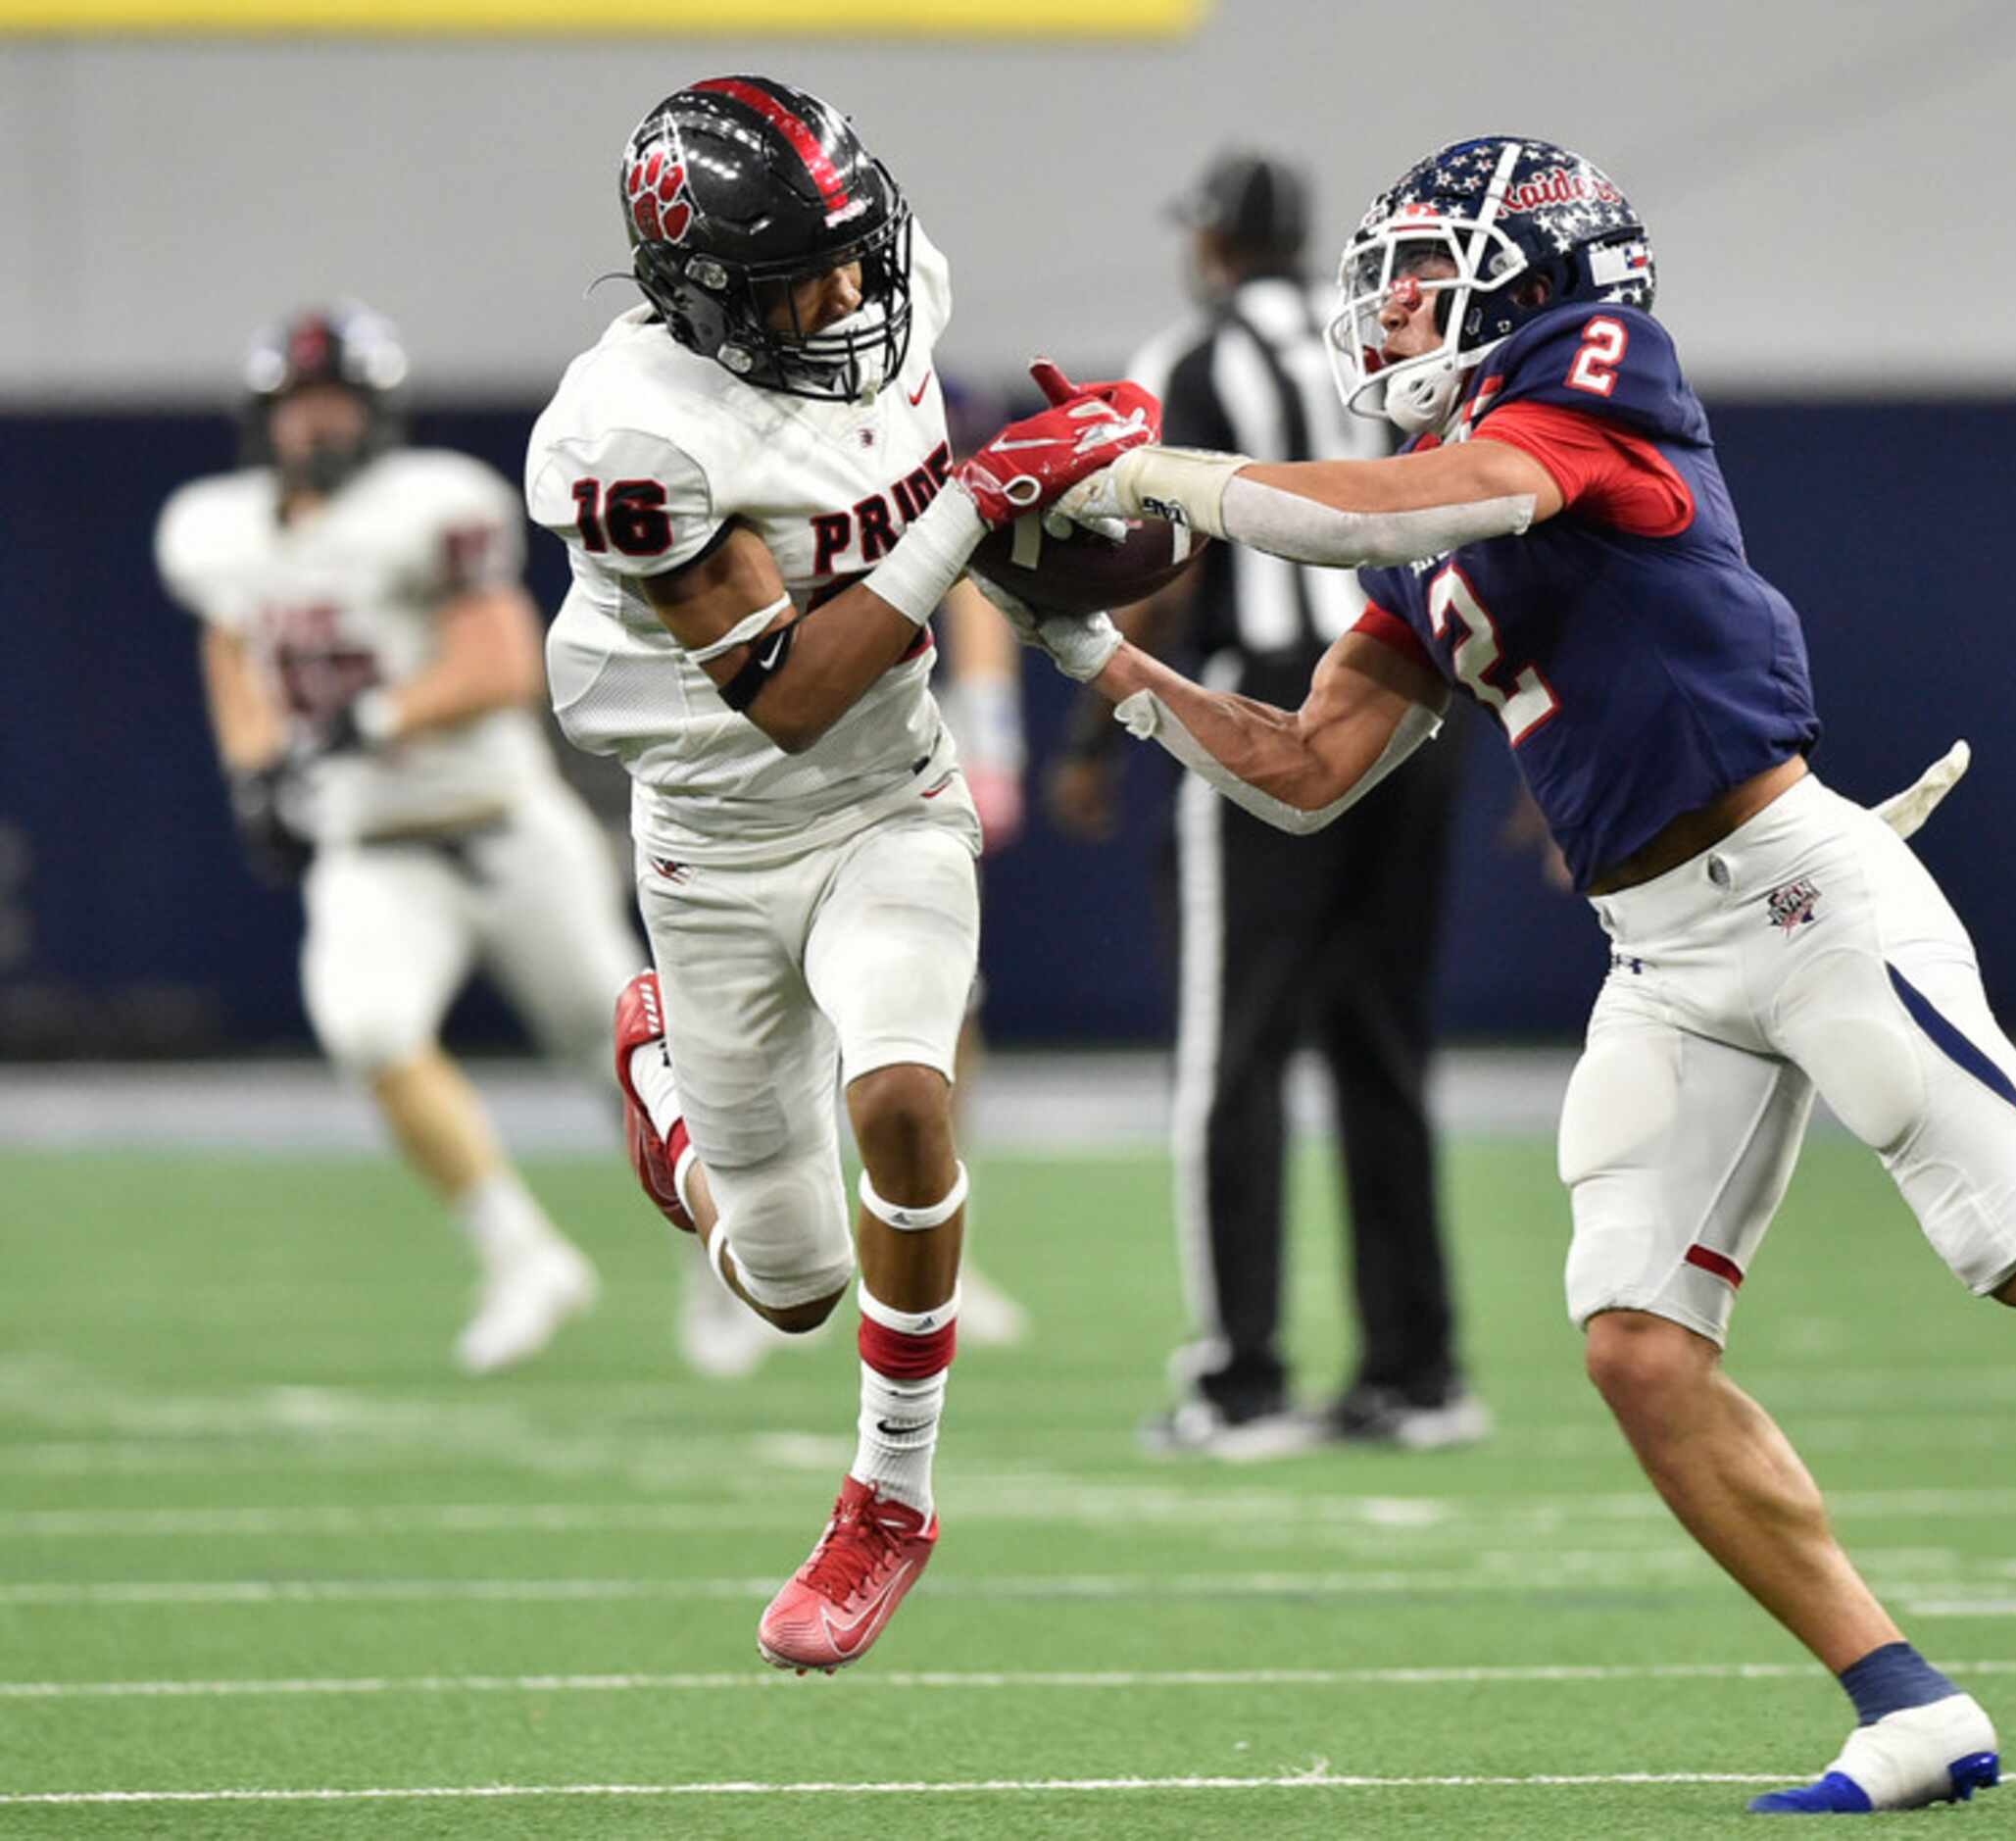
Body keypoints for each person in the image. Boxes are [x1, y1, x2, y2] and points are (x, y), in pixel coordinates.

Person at [991, 134, 2016, 1816]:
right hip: (1663, 955)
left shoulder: (1599, 390)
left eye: (1416, 273)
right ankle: (1906, 1698)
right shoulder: (1429, 512)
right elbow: (1311, 768)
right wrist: (1092, 654)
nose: (1386, 311)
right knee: (1637, 1344)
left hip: (1807, 896)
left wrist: (1155, 469)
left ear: (1519, 277)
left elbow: (1437, 496)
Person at [524, 75, 1154, 1673]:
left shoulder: (895, 279)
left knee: (904, 1097)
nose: (860, 293)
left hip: (894, 801)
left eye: (861, 249)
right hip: (721, 835)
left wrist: (1106, 543)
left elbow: (968, 553)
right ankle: (666, 1082)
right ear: (709, 298)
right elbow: (790, 694)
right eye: (813, 271)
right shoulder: (632, 437)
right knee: (789, 1283)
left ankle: (888, 1496)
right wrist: (976, 506)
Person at [1050, 148, 1478, 1457]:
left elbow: (1166, 564)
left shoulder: (1196, 350)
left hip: (1272, 704)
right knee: (1381, 1044)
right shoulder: (1394, 348)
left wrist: (1093, 730)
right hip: (1417, 685)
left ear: (1219, 242)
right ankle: (1419, 1371)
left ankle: (1241, 1378)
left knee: (1234, 1050)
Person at [157, 303, 638, 1376]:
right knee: (368, 1027)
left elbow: (503, 664)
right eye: (301, 407)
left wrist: (364, 720)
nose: (318, 427)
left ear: (376, 414)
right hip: (374, 846)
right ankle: (520, 1253)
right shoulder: (217, 529)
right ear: (266, 420)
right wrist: (252, 773)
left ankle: (733, 1258)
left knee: (624, 1067)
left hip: (506, 831)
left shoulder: (434, 507)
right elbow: (232, 648)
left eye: (338, 405)